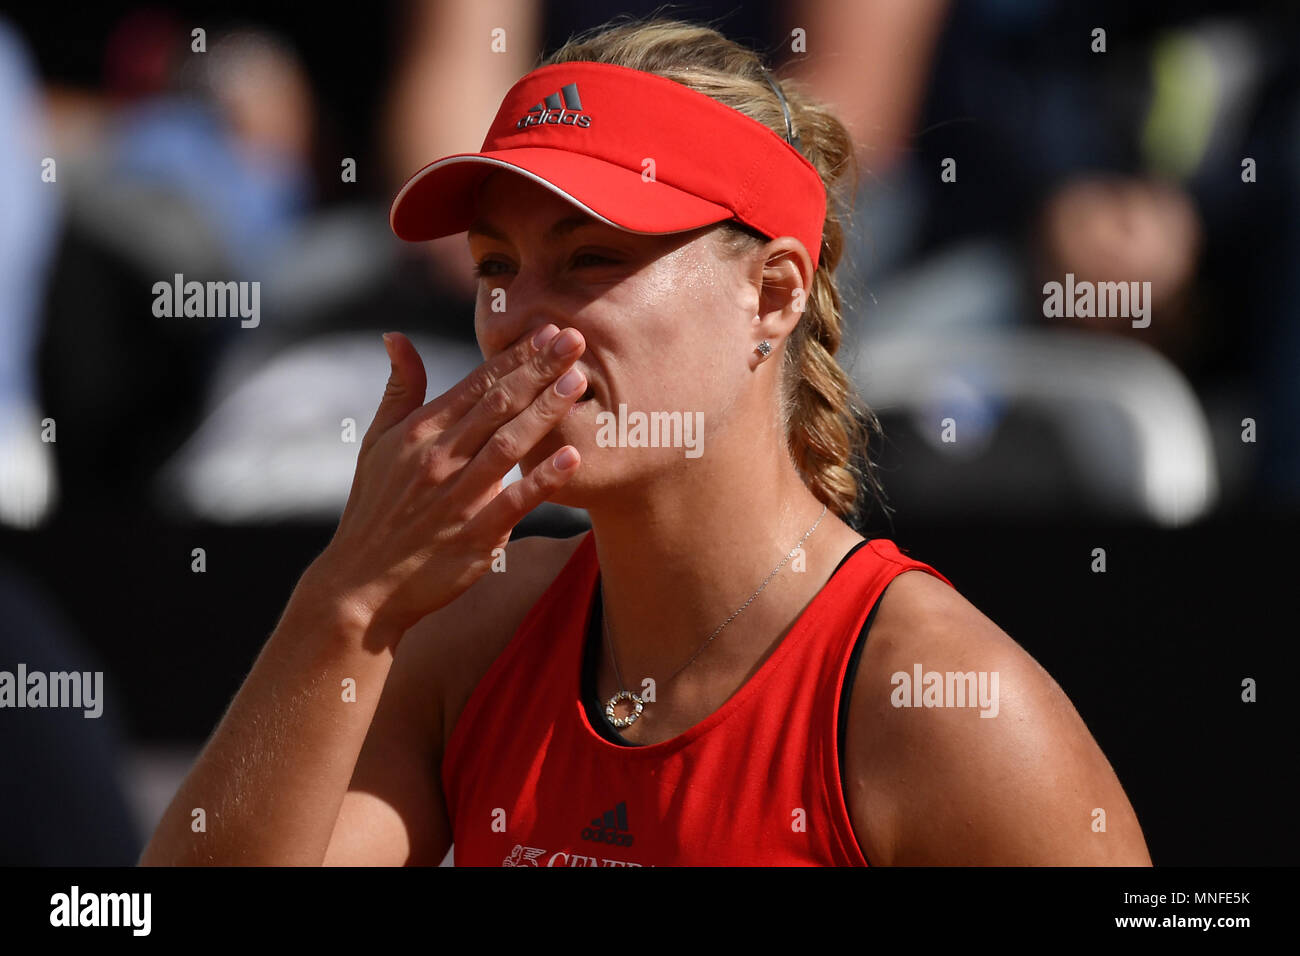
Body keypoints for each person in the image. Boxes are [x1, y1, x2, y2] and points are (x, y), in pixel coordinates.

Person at [140, 16, 1150, 867]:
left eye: (588, 258)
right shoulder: (472, 634)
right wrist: (343, 599)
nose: (521, 321)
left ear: (773, 293)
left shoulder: (941, 704)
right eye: (497, 264)